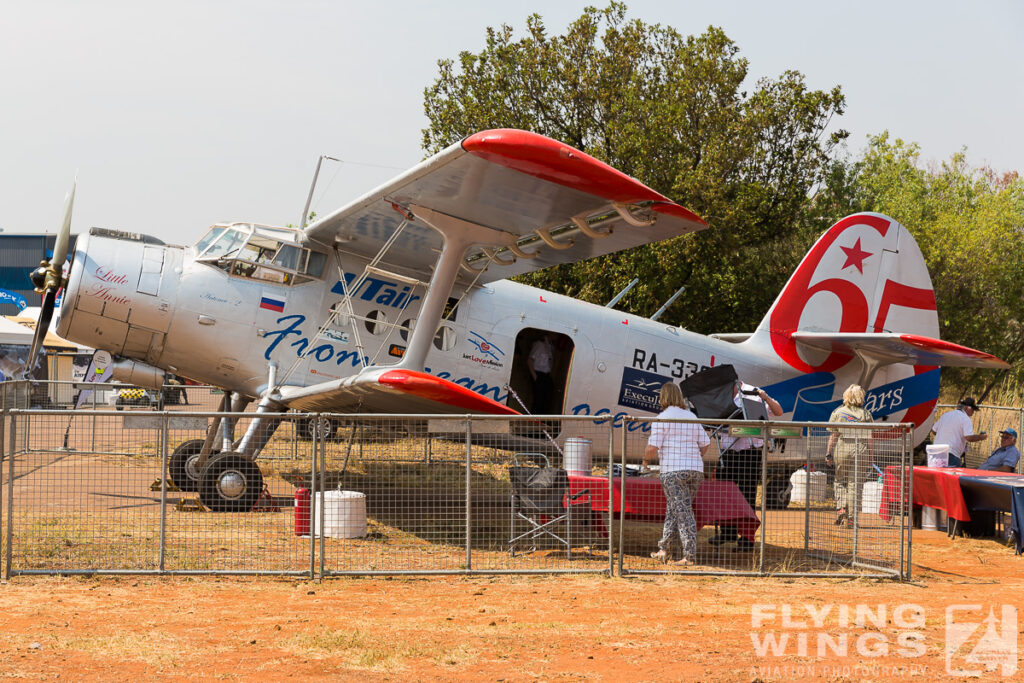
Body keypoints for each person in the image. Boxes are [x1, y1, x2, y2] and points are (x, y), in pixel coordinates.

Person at [710, 380, 783, 551]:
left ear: (736, 382)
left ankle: (747, 539)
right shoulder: (722, 396)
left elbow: (778, 411)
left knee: (747, 495)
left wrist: (765, 397)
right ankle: (726, 532)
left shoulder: (753, 394)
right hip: (728, 452)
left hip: (749, 452)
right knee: (723, 493)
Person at [642, 382, 710, 566]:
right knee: (674, 509)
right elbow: (705, 444)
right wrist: (694, 457)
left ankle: (689, 556)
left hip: (672, 471)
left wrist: (645, 461)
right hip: (695, 470)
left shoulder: (662, 418)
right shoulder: (691, 417)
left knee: (683, 512)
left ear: (663, 397)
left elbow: (652, 447)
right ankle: (664, 549)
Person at [826, 384, 874, 527]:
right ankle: (852, 518)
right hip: (861, 449)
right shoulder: (865, 414)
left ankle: (841, 507)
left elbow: (833, 435)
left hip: (842, 448)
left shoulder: (838, 412)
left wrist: (828, 453)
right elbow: (870, 438)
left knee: (839, 480)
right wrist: (871, 458)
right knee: (855, 485)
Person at [931, 398, 987, 467]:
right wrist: (981, 437)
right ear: (967, 408)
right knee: (950, 477)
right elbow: (969, 437)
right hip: (951, 453)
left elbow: (934, 430)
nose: (973, 412)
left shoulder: (946, 415)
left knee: (935, 476)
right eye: (973, 409)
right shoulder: (965, 419)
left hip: (935, 451)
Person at [527, 334, 555, 414]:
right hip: (539, 375)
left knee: (546, 401)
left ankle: (542, 422)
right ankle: (533, 421)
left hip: (546, 376)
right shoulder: (540, 344)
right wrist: (535, 377)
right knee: (538, 401)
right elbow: (529, 360)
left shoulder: (551, 347)